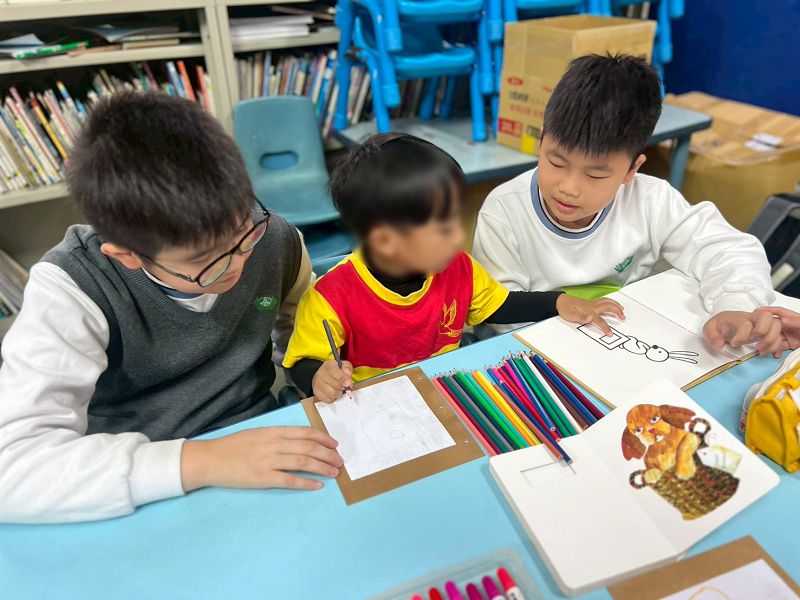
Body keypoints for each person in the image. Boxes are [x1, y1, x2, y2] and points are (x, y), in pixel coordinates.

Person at [0, 92, 342, 524]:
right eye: (206, 262)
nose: (239, 265)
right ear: (127, 255)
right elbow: (13, 469)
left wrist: (316, 369)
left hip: (260, 436)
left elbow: (299, 334)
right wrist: (203, 461)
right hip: (140, 480)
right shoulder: (72, 288)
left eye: (244, 234)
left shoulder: (274, 238)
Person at [472, 54, 782, 357]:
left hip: (626, 347)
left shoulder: (652, 201)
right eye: (556, 162)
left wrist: (735, 306)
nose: (568, 188)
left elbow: (729, 250)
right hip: (548, 356)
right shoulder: (505, 212)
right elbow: (501, 311)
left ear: (633, 169)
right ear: (541, 142)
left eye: (595, 175)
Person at [283, 133, 624, 402]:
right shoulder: (330, 297)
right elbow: (300, 362)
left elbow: (500, 305)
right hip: (374, 407)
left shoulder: (457, 267)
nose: (460, 236)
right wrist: (318, 377)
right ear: (386, 241)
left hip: (444, 395)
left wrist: (557, 302)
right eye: (444, 229)